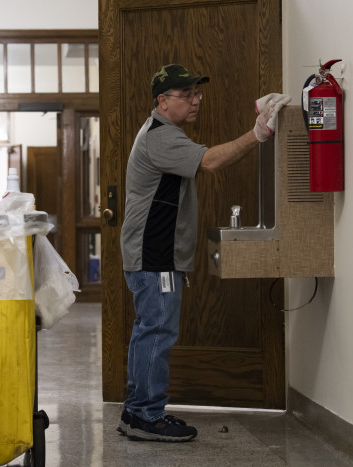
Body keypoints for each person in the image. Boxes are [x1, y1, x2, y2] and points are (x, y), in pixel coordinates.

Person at [117, 64, 289, 442]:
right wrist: (259, 132)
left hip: (153, 253)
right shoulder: (160, 136)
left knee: (149, 330)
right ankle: (146, 414)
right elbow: (211, 161)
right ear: (163, 101)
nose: (196, 102)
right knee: (157, 330)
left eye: (197, 94)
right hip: (154, 253)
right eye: (186, 95)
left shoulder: (163, 133)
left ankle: (135, 410)